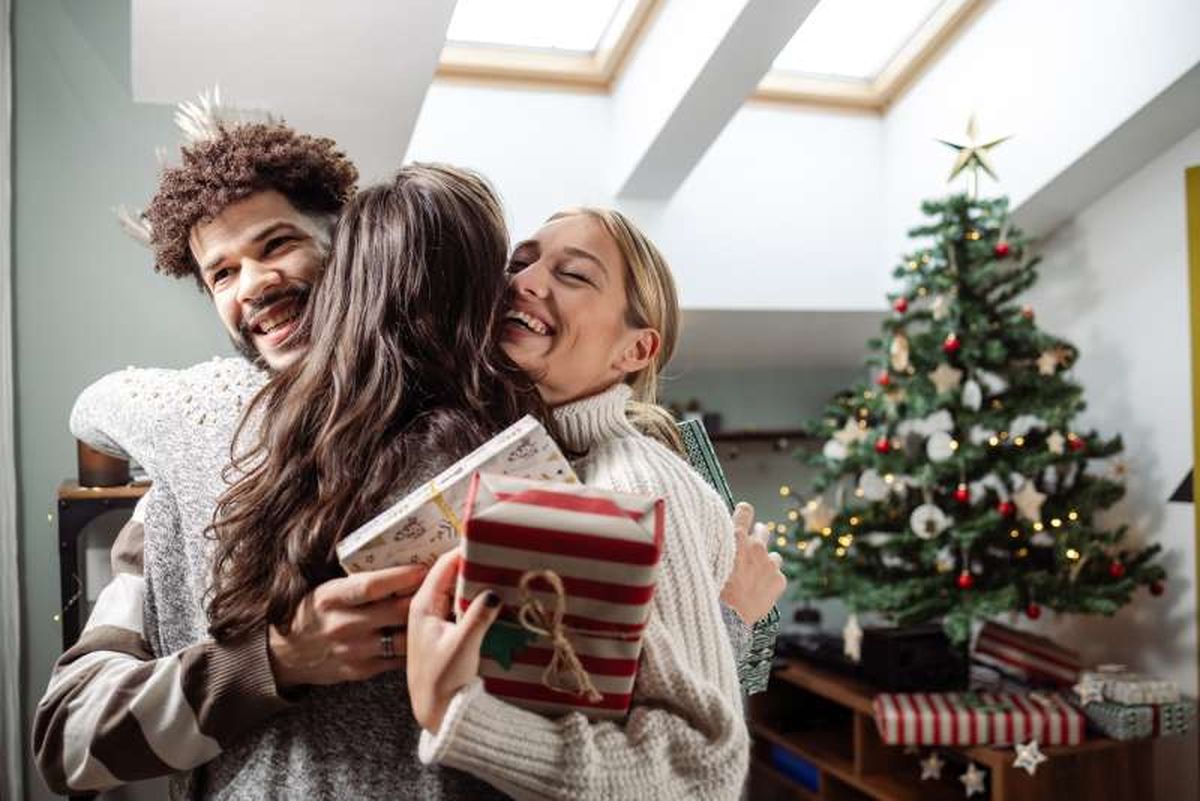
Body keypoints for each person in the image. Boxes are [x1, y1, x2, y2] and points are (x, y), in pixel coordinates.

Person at [404, 208, 753, 799]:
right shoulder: (533, 460)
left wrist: (457, 716)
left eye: (574, 275)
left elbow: (700, 773)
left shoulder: (631, 483)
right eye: (522, 261)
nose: (527, 281)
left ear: (635, 350)